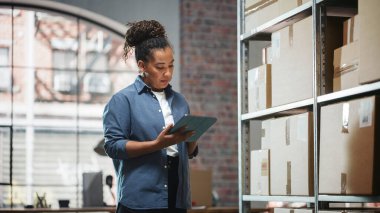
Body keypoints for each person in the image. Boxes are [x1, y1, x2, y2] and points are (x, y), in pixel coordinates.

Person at [103, 20, 198, 213]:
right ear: (142, 66)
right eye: (160, 67)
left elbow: (187, 152)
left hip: (178, 195)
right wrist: (157, 144)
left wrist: (192, 139)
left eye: (171, 66)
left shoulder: (180, 101)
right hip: (139, 199)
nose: (168, 73)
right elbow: (113, 147)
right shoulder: (122, 100)